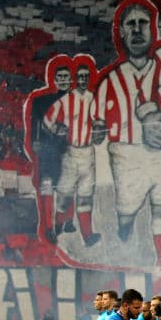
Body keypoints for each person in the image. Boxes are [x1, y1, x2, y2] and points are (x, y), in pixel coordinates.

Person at [92, 0, 161, 263]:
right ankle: (124, 233)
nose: (138, 30)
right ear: (122, 33)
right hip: (125, 154)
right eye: (131, 24)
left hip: (159, 152)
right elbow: (97, 122)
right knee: (127, 211)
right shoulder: (110, 80)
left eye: (143, 23)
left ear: (153, 31)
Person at [45, 54, 100, 246]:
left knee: (86, 196)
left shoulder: (94, 99)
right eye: (81, 76)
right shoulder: (66, 100)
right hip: (71, 153)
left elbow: (102, 120)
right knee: (64, 196)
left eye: (87, 76)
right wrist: (57, 131)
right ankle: (56, 230)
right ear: (76, 79)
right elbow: (48, 119)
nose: (83, 79)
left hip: (88, 153)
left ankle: (88, 236)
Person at [25, 55, 71, 243]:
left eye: (66, 77)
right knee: (47, 187)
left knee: (68, 188)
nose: (63, 80)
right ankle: (49, 228)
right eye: (59, 77)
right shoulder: (42, 101)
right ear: (54, 79)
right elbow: (36, 124)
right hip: (48, 152)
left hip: (70, 151)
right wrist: (36, 142)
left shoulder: (78, 99)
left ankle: (62, 223)